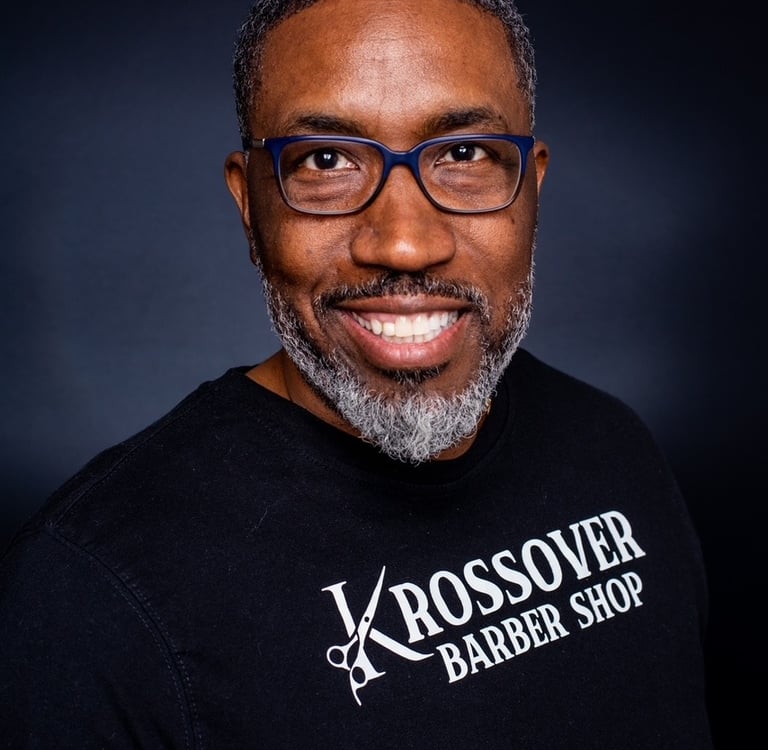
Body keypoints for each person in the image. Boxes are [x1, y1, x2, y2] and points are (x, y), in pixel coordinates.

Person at [0, 0, 713, 747]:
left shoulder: (613, 447)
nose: (404, 244)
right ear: (250, 203)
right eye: (326, 161)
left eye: (463, 153)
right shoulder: (91, 594)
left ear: (532, 186)